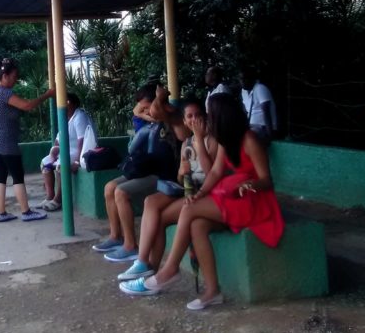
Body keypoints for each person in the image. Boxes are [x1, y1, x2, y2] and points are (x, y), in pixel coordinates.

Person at [120, 92, 284, 309]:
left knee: (189, 211)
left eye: (210, 115)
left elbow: (267, 180)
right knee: (197, 225)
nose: (206, 119)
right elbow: (215, 174)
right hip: (231, 196)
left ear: (223, 116)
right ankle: (212, 291)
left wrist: (251, 184)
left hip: (253, 201)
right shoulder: (227, 140)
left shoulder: (249, 139)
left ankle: (168, 272)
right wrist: (201, 193)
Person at [115, 97, 212, 282]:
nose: (194, 120)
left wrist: (199, 139)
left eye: (198, 115)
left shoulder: (210, 140)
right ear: (184, 121)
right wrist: (182, 173)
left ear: (205, 117)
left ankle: (153, 271)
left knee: (158, 217)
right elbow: (181, 178)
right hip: (186, 190)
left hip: (203, 193)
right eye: (189, 116)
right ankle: (144, 264)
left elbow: (211, 174)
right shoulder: (186, 143)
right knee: (150, 202)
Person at [93, 84, 187, 263]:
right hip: (146, 170)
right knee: (109, 188)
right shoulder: (150, 123)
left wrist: (158, 101)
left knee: (121, 192)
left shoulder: (173, 118)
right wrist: (147, 110)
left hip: (163, 176)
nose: (145, 111)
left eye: (148, 107)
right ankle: (116, 236)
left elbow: (161, 114)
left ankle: (130, 246)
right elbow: (136, 111)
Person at [0, 58, 55, 223]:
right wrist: (48, 95)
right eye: (14, 76)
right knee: (17, 175)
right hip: (5, 140)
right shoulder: (4, 93)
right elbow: (27, 106)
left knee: (1, 175)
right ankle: (26, 211)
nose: (16, 79)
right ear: (5, 75)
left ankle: (1, 213)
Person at [37, 93, 95, 211]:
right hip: (67, 151)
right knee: (45, 163)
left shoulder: (79, 116)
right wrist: (53, 153)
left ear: (69, 103)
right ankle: (50, 196)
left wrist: (78, 162)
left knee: (61, 165)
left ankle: (58, 200)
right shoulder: (67, 119)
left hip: (80, 151)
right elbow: (58, 140)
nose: (61, 106)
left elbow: (82, 141)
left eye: (64, 102)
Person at [240, 67, 277, 146]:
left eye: (245, 79)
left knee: (247, 138)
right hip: (252, 126)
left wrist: (270, 135)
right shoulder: (243, 91)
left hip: (263, 127)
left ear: (252, 79)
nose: (242, 81)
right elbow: (245, 112)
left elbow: (266, 112)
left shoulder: (260, 88)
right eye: (240, 78)